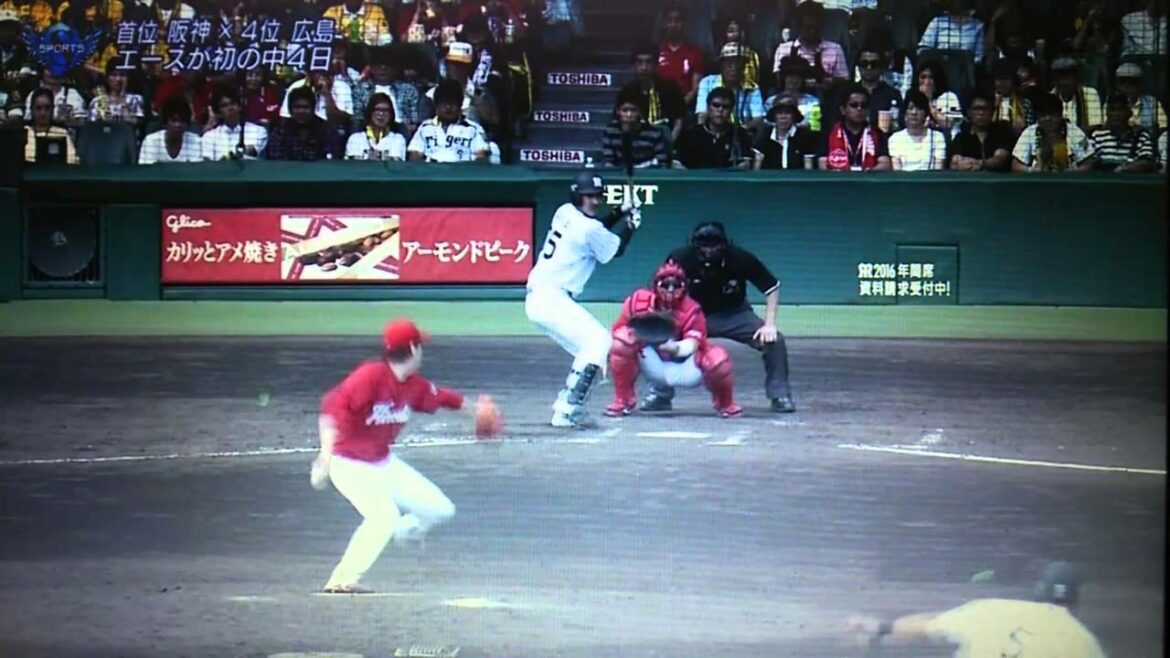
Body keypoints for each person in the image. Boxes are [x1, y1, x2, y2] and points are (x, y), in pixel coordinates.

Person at [312, 318, 498, 594]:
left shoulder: (413, 384)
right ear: (412, 348)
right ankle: (342, 579)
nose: (423, 350)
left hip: (383, 464)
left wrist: (477, 410)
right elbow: (330, 410)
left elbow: (444, 398)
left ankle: (404, 530)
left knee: (440, 509)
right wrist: (325, 458)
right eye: (420, 345)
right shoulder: (371, 376)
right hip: (348, 464)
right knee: (383, 516)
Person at [525, 172, 643, 428]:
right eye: (589, 196)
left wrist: (619, 211)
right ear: (577, 195)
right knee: (598, 342)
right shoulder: (587, 228)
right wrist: (631, 224)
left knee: (591, 349)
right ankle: (568, 409)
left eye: (598, 196)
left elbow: (595, 228)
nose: (594, 201)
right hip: (551, 297)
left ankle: (568, 406)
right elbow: (614, 249)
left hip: (542, 298)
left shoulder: (565, 211)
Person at [642, 222, 796, 414]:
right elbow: (659, 286)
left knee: (775, 340)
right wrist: (662, 315)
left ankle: (779, 394)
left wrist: (769, 324)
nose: (708, 251)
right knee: (662, 338)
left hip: (734, 314)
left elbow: (772, 287)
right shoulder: (681, 258)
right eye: (704, 246)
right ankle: (660, 394)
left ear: (724, 245)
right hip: (691, 314)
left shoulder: (741, 258)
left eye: (713, 246)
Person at [846, 561, 1108, 658]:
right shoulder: (1085, 644)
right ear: (1076, 600)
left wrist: (881, 628)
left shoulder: (992, 610)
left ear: (1038, 590)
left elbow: (924, 628)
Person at [607, 260, 742, 418]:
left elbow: (694, 342)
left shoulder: (692, 310)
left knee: (718, 359)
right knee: (622, 341)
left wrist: (675, 348)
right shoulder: (638, 302)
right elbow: (617, 330)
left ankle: (725, 403)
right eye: (665, 284)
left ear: (684, 286)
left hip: (684, 366)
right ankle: (623, 399)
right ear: (656, 285)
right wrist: (639, 334)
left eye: (676, 285)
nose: (670, 290)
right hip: (651, 360)